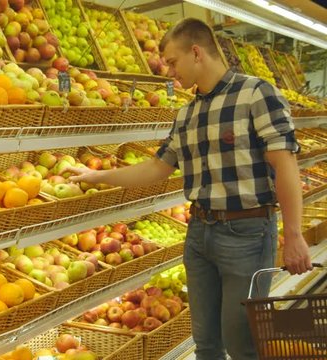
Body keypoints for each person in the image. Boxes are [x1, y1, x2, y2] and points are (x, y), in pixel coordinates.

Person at [62, 18, 312, 360]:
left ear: (196, 52)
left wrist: (295, 234)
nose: (170, 72)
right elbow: (157, 168)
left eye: (172, 62)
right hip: (199, 233)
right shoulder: (187, 114)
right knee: (206, 341)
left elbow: (284, 164)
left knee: (242, 341)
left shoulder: (256, 94)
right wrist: (97, 178)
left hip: (248, 233)